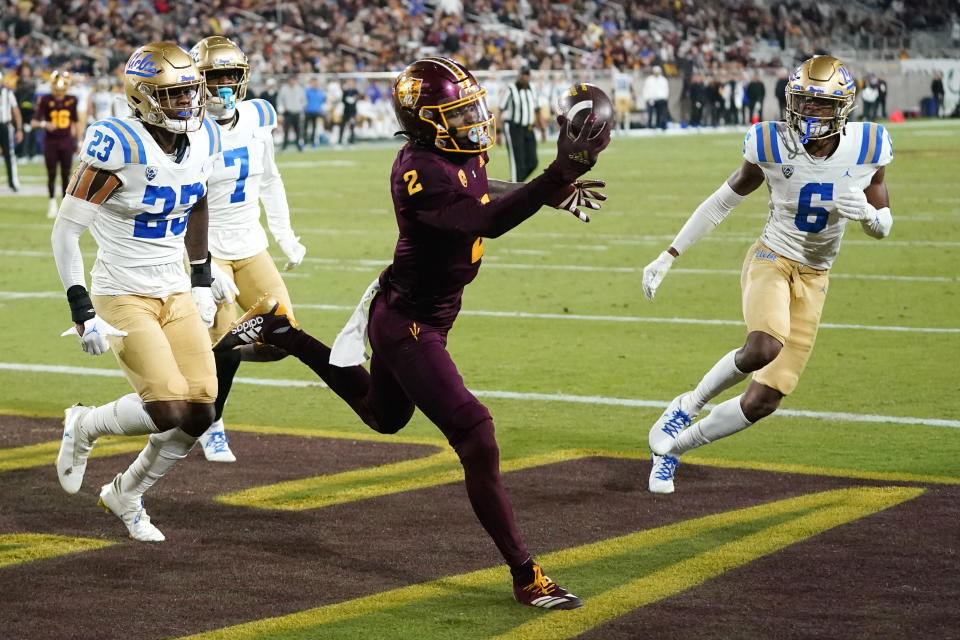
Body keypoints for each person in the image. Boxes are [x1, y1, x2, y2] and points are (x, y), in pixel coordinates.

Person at [213, 56, 609, 608]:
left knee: (384, 415)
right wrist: (554, 177)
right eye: (457, 111)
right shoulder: (415, 169)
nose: (472, 119)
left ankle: (283, 333)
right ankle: (526, 575)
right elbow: (481, 219)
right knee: (477, 436)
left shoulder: (454, 152)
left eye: (471, 107)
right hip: (408, 324)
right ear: (424, 120)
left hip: (423, 309)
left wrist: (540, 190)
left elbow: (478, 184)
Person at [640, 55, 894, 494]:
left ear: (842, 107)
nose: (806, 113)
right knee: (764, 344)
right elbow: (722, 201)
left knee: (763, 401)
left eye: (819, 105)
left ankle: (673, 451)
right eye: (801, 102)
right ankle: (688, 404)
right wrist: (669, 254)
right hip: (771, 258)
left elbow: (885, 222)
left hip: (816, 276)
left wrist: (870, 217)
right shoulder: (770, 142)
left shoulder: (870, 145)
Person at [51, 42, 222, 541]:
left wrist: (202, 278)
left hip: (175, 289)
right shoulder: (118, 143)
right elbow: (66, 231)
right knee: (167, 406)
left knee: (203, 409)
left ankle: (126, 493)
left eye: (191, 91)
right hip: (121, 291)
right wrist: (82, 310)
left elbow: (198, 205)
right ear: (143, 97)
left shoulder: (204, 137)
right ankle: (84, 424)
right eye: (174, 95)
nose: (187, 103)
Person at [189, 36, 306, 462]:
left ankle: (201, 359)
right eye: (213, 76)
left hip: (251, 244)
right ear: (198, 81)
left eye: (229, 76)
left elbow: (270, 180)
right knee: (226, 342)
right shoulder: (188, 130)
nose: (222, 84)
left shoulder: (258, 115)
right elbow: (182, 201)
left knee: (282, 338)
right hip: (210, 250)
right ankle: (212, 421)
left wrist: (285, 235)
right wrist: (200, 265)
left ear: (242, 79)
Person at [32, 70, 82, 217]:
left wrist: (79, 141)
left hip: (66, 140)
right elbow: (34, 122)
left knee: (66, 174)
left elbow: (76, 122)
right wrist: (44, 124)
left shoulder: (72, 99)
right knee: (51, 173)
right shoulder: (46, 100)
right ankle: (52, 202)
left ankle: (65, 205)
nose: (59, 92)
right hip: (51, 141)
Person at [498, 66, 542, 181]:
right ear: (518, 75)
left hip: (528, 128)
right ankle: (514, 189)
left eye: (526, 75)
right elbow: (500, 109)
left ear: (529, 76)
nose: (523, 77)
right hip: (514, 128)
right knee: (518, 164)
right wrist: (497, 131)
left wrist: (542, 129)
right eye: (522, 74)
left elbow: (537, 109)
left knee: (533, 162)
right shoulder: (511, 89)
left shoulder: (532, 88)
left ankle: (513, 186)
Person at [0, 80, 23, 192]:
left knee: (9, 155)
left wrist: (19, 129)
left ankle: (13, 182)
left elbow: (16, 111)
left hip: (4, 125)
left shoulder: (8, 93)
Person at [277, 74, 306, 151]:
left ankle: (298, 145)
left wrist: (301, 107)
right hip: (288, 112)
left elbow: (304, 100)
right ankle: (284, 145)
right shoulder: (284, 89)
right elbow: (280, 100)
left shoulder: (299, 89)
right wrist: (281, 108)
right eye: (291, 80)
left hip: (297, 112)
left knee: (298, 130)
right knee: (286, 130)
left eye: (293, 80)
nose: (292, 81)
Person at [643, 65, 669, 129]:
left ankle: (660, 125)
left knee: (661, 113)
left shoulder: (663, 80)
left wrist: (665, 97)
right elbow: (645, 89)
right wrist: (647, 98)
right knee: (650, 113)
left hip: (661, 99)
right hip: (651, 99)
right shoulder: (649, 79)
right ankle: (649, 125)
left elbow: (666, 89)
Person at [303, 76, 326, 146]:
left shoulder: (320, 92)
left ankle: (313, 141)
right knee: (305, 127)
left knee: (314, 128)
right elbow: (303, 100)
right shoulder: (307, 91)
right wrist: (304, 107)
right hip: (308, 111)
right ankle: (305, 141)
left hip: (316, 112)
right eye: (313, 82)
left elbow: (323, 100)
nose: (315, 84)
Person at [338, 77, 360, 146]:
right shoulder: (345, 92)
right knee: (342, 126)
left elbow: (357, 99)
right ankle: (340, 141)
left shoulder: (355, 91)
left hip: (352, 112)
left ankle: (352, 141)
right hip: (346, 112)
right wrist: (348, 100)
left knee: (352, 126)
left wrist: (353, 100)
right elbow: (343, 100)